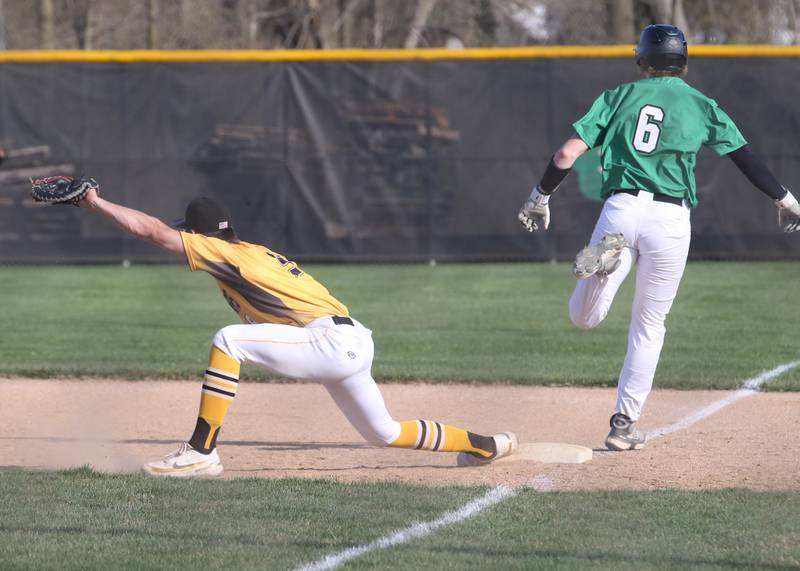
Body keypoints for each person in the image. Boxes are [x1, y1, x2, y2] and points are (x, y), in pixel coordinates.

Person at [76, 189, 517, 476]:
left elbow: (153, 232)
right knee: (382, 432)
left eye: (187, 234)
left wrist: (96, 202)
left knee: (228, 340)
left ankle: (201, 451)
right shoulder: (249, 251)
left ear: (198, 235)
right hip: (350, 340)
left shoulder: (222, 254)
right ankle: (482, 444)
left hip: (329, 341)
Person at [517, 24, 800, 451]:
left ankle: (605, 260)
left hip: (621, 208)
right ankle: (622, 424)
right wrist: (788, 201)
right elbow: (746, 159)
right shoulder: (701, 104)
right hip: (670, 217)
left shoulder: (618, 97)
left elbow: (565, 155)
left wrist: (539, 195)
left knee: (585, 318)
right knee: (648, 327)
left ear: (642, 60)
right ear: (683, 61)